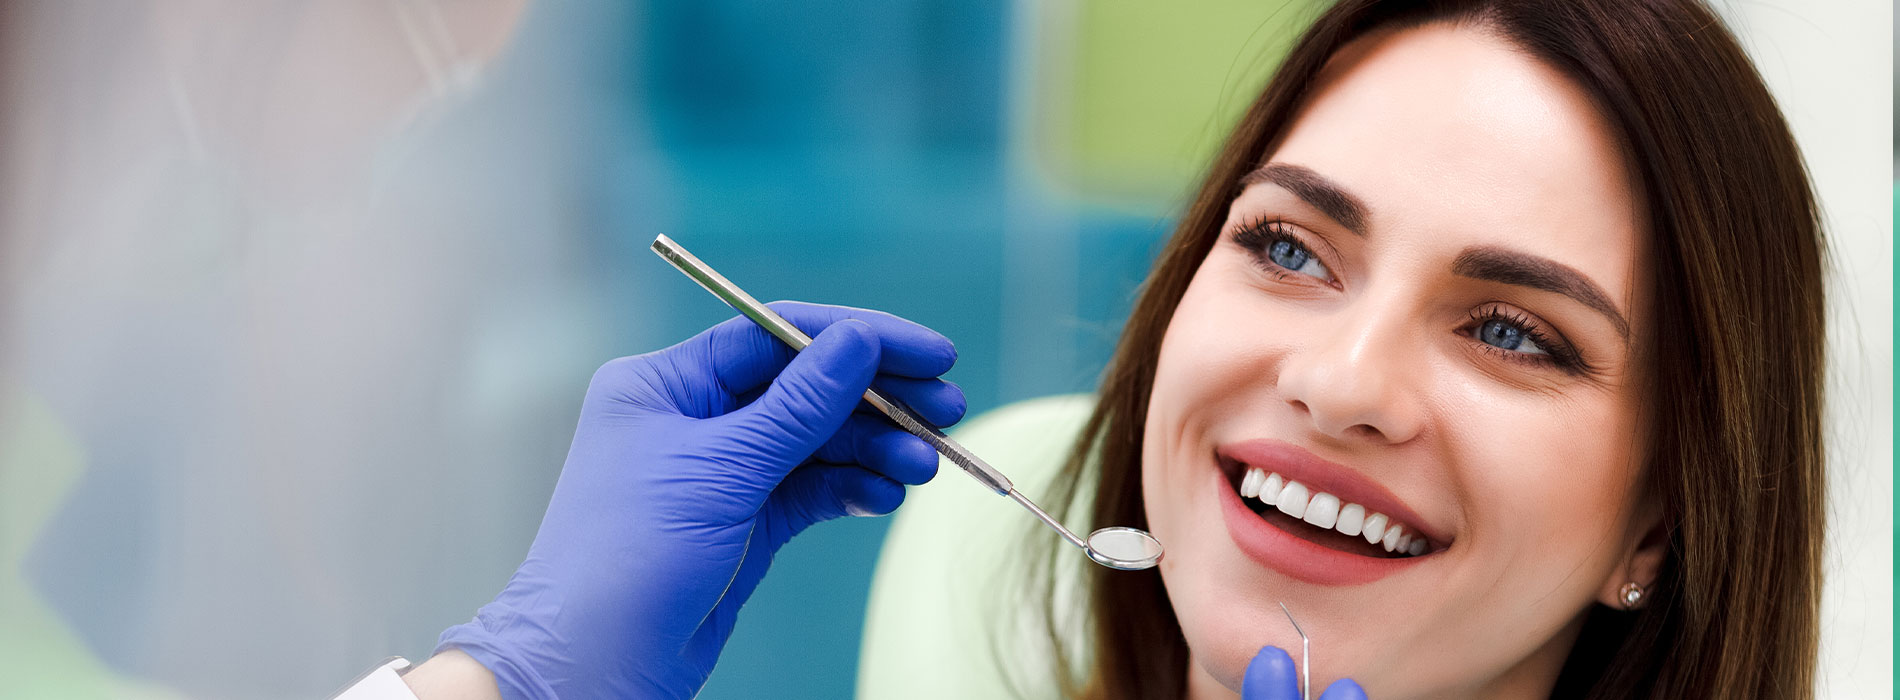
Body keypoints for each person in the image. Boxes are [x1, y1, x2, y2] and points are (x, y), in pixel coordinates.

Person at [337, 0, 1825, 698]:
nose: (1338, 383)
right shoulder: (975, 579)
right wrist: (503, 686)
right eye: (1288, 247)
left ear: (1662, 522)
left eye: (1511, 331)